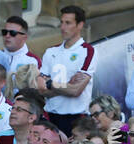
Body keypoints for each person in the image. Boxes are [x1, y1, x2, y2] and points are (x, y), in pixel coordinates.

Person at [36, 6, 96, 136]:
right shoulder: (50, 51)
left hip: (76, 119)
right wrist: (67, 85)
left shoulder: (88, 51)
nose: (63, 27)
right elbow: (41, 89)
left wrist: (51, 83)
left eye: (68, 23)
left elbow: (76, 91)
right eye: (61, 22)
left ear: (80, 25)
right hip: (51, 117)